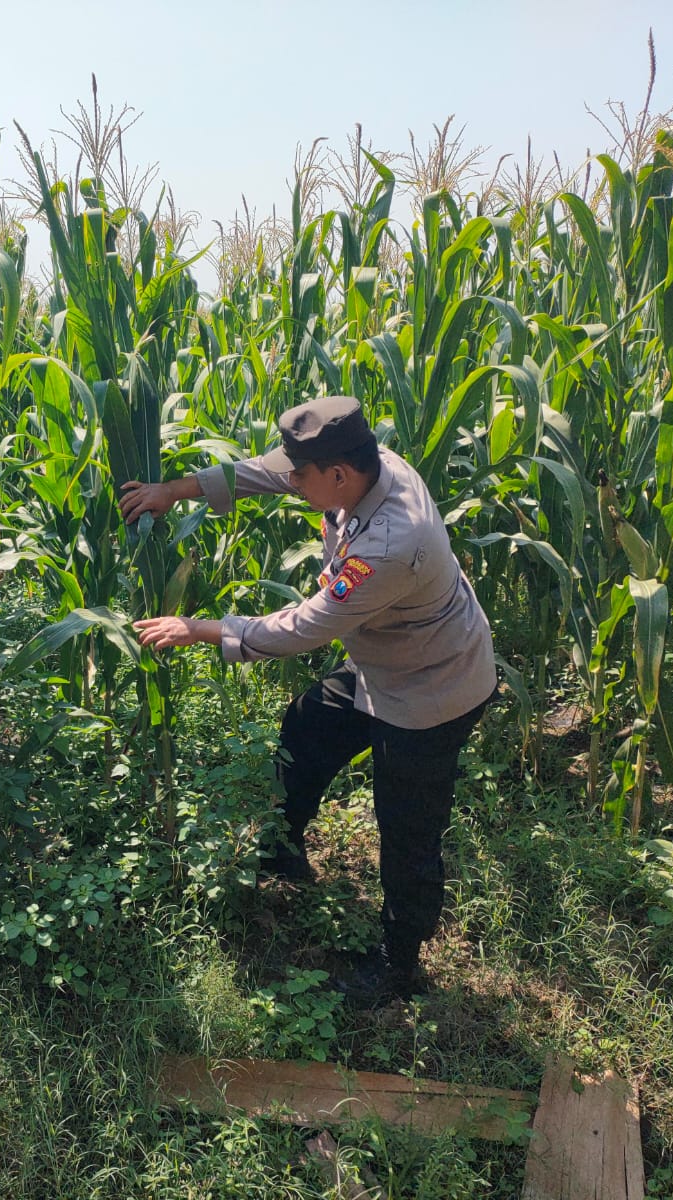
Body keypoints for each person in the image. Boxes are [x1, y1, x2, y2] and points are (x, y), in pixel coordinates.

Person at [122, 396, 496, 1005]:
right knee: (306, 729)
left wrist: (202, 628)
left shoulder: (390, 544)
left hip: (433, 687)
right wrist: (175, 489)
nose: (292, 483)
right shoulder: (356, 469)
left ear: (339, 476)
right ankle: (284, 846)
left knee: (407, 827)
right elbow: (270, 469)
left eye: (304, 477)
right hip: (386, 660)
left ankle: (398, 962)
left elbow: (302, 628)